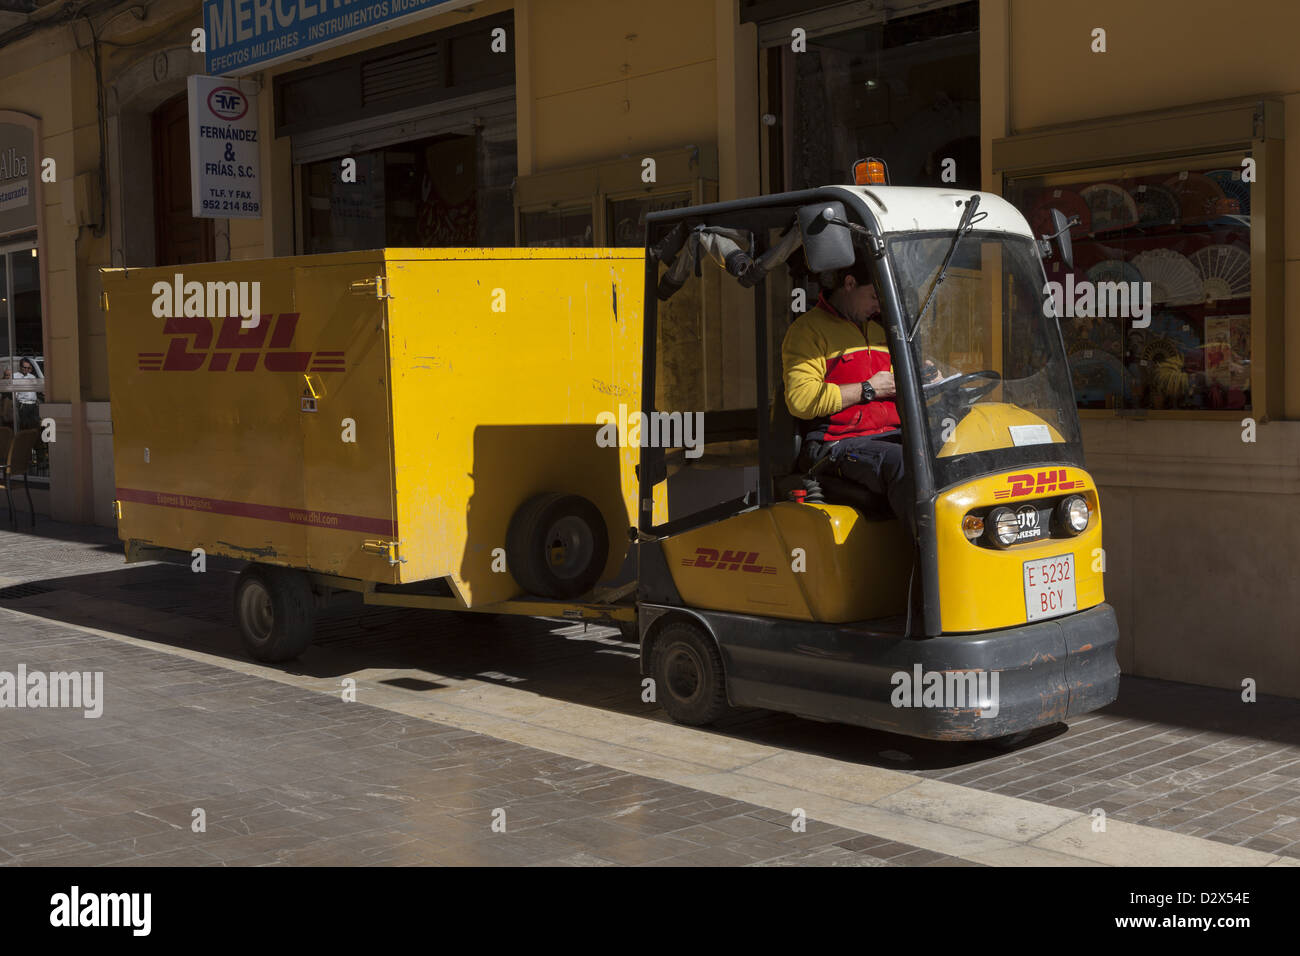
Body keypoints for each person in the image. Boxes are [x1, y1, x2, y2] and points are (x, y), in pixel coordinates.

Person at [781, 261, 914, 528]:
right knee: (905, 464)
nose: (879, 307)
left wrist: (926, 378)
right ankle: (928, 551)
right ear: (850, 284)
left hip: (890, 435)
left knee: (947, 454)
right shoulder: (808, 331)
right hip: (837, 443)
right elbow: (801, 400)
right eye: (874, 297)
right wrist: (868, 389)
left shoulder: (880, 332)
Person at [4, 357, 42, 431]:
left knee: (34, 425)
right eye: (25, 367)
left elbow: (35, 390)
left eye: (28, 368)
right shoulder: (14, 376)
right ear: (20, 367)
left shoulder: (32, 377)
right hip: (23, 405)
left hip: (33, 405)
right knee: (24, 426)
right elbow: (9, 390)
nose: (26, 369)